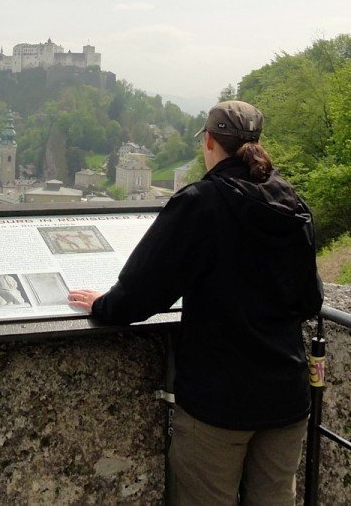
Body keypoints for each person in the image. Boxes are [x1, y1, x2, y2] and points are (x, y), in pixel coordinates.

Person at [69, 100, 323, 505]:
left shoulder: (201, 202)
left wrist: (103, 305)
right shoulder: (291, 203)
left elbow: (143, 289)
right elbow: (311, 299)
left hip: (218, 399)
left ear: (208, 141)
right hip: (286, 397)